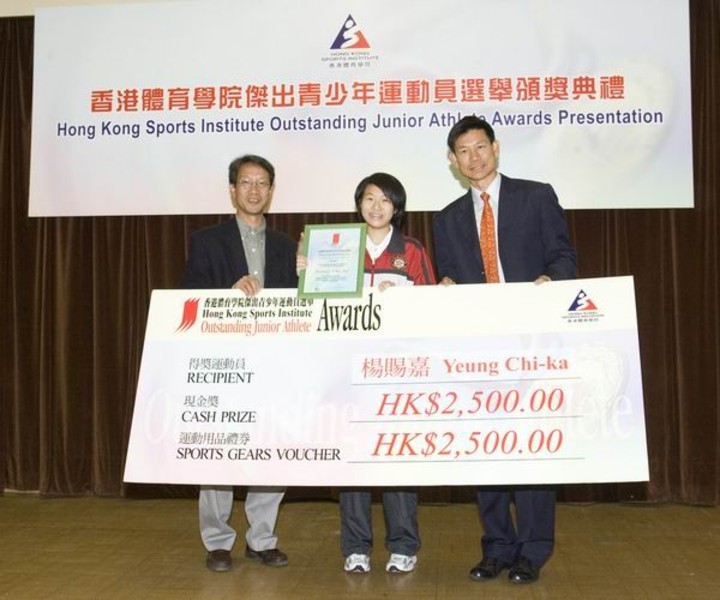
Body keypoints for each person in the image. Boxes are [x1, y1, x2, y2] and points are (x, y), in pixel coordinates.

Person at [433, 116, 577, 584]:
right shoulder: (448, 217)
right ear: (453, 161)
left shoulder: (537, 195)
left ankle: (532, 550)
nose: (474, 158)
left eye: (481, 147)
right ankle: (496, 546)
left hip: (534, 344)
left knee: (531, 447)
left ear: (496, 148)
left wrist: (550, 282)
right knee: (487, 449)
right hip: (478, 351)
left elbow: (563, 255)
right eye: (463, 151)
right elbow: (451, 276)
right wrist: (447, 285)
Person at [298, 173, 435, 574]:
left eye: (385, 200)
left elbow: (432, 309)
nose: (377, 207)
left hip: (397, 371)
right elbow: (317, 310)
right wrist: (305, 271)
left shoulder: (410, 249)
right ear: (358, 204)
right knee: (353, 461)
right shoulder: (338, 247)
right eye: (369, 199)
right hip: (348, 372)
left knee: (396, 459)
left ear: (397, 207)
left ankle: (404, 544)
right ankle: (355, 546)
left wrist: (406, 300)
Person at [182, 154, 297, 572]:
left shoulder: (288, 246)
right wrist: (226, 293)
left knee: (272, 447)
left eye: (262, 183)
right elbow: (189, 296)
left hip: (274, 362)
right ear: (232, 190)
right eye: (246, 182)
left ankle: (262, 538)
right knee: (218, 452)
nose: (254, 190)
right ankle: (217, 540)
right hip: (224, 362)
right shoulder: (207, 240)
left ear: (271, 190)